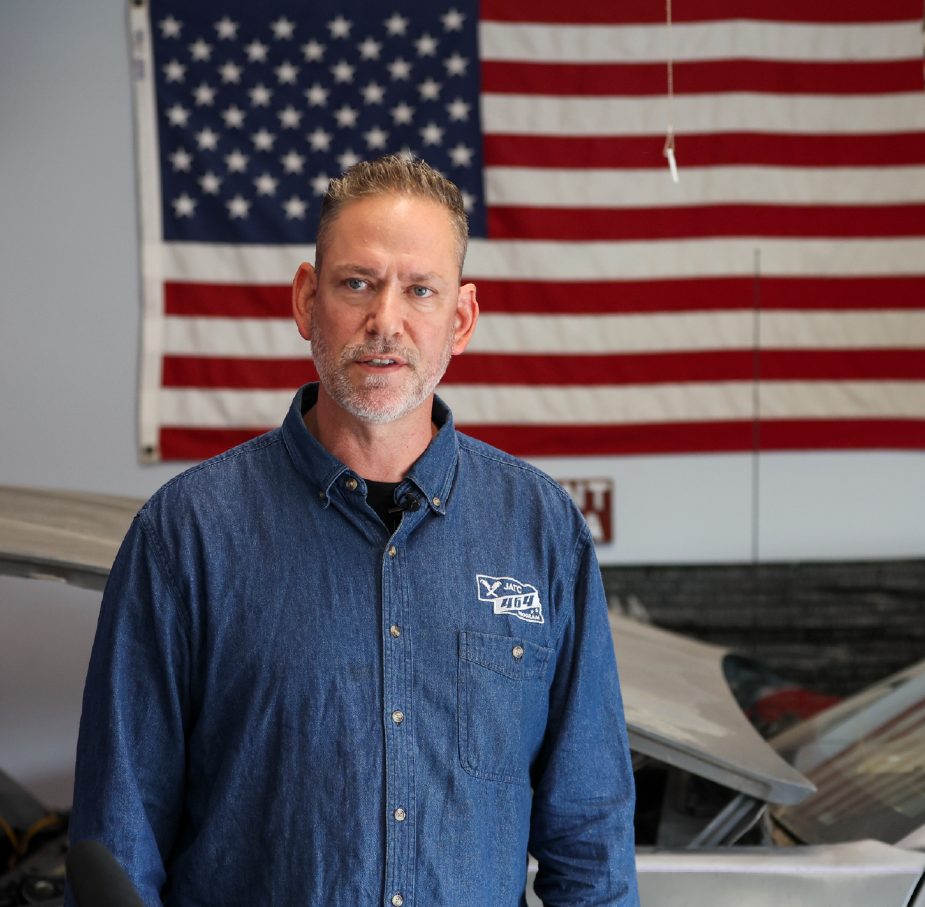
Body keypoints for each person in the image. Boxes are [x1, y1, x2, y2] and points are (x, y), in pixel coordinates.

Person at [68, 155, 638, 906]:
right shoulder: (186, 538)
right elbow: (118, 841)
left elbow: (591, 848)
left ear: (459, 318)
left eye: (419, 289)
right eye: (357, 283)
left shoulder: (543, 534)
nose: (385, 322)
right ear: (308, 300)